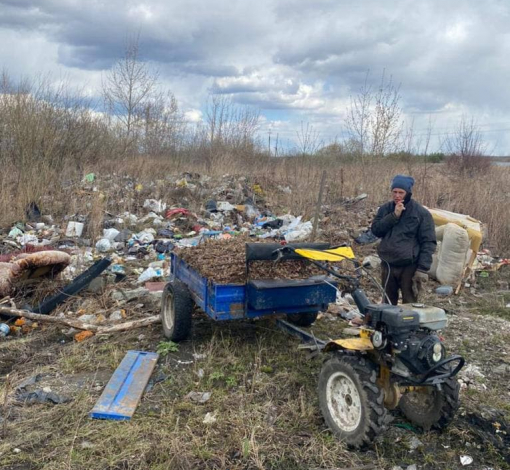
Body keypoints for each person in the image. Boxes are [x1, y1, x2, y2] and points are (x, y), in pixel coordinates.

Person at [371, 175, 436, 305]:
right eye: (394, 192)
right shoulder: (385, 209)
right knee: (387, 304)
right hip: (388, 264)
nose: (397, 196)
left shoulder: (421, 213)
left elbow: (428, 242)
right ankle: (387, 325)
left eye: (401, 192)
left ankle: (408, 326)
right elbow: (376, 230)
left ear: (408, 193)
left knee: (410, 305)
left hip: (409, 266)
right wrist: (394, 216)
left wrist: (422, 269)